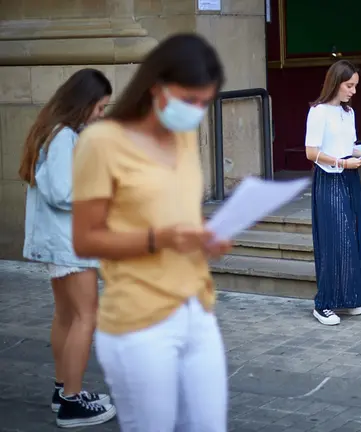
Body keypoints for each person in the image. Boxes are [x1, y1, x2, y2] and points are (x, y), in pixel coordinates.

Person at [71, 33, 231, 431]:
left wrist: (206, 236)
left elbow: (181, 216)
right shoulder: (101, 142)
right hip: (138, 319)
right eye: (189, 99)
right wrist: (158, 238)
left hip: (197, 306)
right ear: (156, 87)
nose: (197, 110)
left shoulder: (186, 136)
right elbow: (85, 238)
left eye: (205, 102)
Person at [19, 68, 116, 428]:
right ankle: (72, 403)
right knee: (85, 317)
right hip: (68, 243)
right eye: (100, 107)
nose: (100, 115)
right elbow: (62, 192)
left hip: (59, 242)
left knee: (66, 316)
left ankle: (65, 391)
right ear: (84, 103)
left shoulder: (55, 132)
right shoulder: (63, 137)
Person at [304, 60, 361, 326]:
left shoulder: (348, 112)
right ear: (336, 83)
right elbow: (311, 152)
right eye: (349, 85)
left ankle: (351, 297)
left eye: (355, 85)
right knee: (334, 238)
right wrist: (342, 163)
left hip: (350, 175)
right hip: (330, 177)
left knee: (352, 234)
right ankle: (324, 304)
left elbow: (350, 145)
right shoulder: (318, 112)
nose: (353, 91)